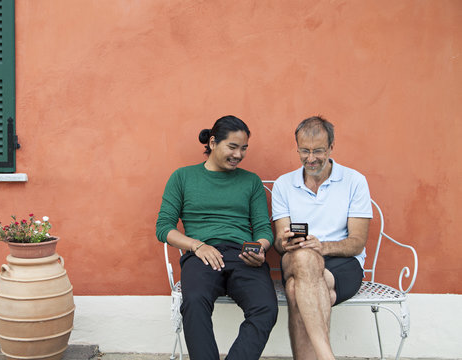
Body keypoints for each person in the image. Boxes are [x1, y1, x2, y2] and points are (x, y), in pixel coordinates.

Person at [156, 115, 278, 360]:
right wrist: (197, 246)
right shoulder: (182, 177)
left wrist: (259, 249)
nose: (239, 154)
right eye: (232, 147)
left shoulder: (250, 181)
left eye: (243, 148)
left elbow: (264, 230)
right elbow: (163, 227)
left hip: (243, 255)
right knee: (194, 302)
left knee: (265, 307)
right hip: (201, 254)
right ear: (212, 143)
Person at [272, 116, 372, 360]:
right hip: (295, 258)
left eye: (318, 151)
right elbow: (278, 243)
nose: (311, 158)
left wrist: (323, 246)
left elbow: (357, 242)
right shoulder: (284, 184)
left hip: (343, 261)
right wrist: (284, 242)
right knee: (304, 257)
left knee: (297, 290)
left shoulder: (354, 181)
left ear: (331, 147)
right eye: (304, 151)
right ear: (297, 148)